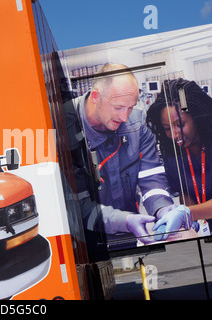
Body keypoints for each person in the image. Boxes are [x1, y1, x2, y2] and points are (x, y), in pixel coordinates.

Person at [64, 63, 178, 251]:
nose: (125, 117)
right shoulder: (62, 127)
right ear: (95, 97)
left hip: (128, 236)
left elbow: (152, 179)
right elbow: (77, 205)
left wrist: (163, 209)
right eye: (118, 107)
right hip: (84, 243)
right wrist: (124, 220)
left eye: (130, 108)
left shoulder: (138, 125)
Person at [146, 78, 212, 238]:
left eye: (180, 124)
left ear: (197, 117)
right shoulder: (173, 151)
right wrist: (189, 215)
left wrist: (187, 213)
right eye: (167, 128)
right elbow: (186, 189)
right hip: (210, 231)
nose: (175, 135)